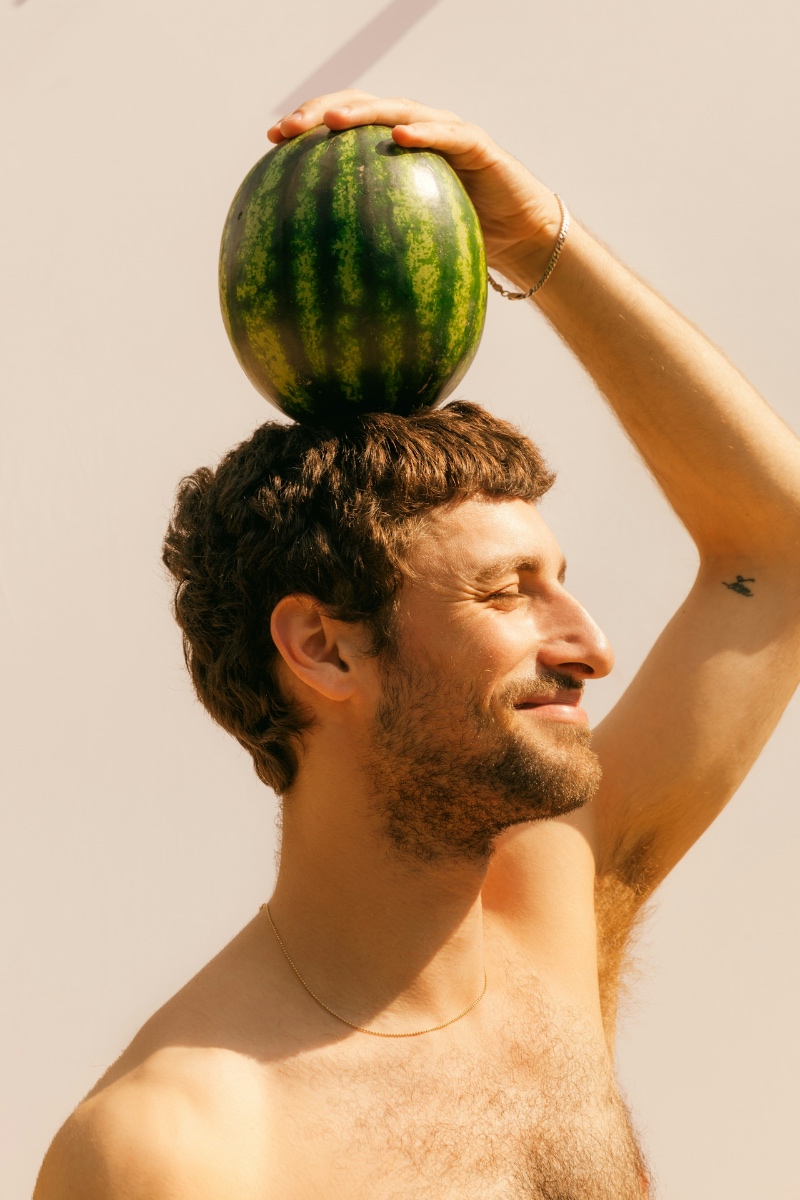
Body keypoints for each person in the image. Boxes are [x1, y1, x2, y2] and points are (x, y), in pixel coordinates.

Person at [34, 90, 800, 1200]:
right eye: (505, 594)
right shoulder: (176, 1148)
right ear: (323, 650)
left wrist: (537, 244)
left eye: (561, 585)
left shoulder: (552, 907)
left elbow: (772, 552)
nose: (587, 645)